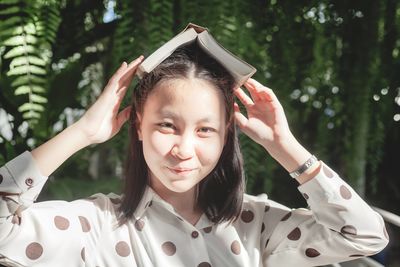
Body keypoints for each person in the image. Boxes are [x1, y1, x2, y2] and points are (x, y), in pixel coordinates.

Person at [0, 42, 388, 267]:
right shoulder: (96, 224)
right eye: (167, 125)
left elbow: (366, 236)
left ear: (226, 137)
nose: (183, 150)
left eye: (205, 130)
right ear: (137, 125)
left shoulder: (256, 223)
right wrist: (82, 133)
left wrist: (283, 147)